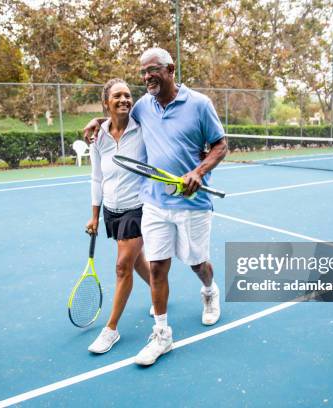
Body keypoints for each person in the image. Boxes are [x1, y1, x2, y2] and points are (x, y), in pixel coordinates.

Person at [84, 48, 228, 366]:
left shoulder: (200, 105)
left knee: (196, 263)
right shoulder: (143, 107)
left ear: (170, 69)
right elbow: (117, 117)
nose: (147, 76)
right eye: (143, 72)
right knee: (158, 268)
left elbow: (221, 145)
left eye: (153, 70)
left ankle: (209, 290)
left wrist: (198, 172)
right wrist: (99, 120)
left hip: (193, 204)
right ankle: (162, 334)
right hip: (154, 203)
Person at [85, 78, 152, 354]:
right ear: (106, 102)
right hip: (112, 209)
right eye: (117, 96)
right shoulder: (98, 136)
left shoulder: (143, 127)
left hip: (138, 206)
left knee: (122, 266)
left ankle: (110, 329)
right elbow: (96, 178)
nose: (124, 99)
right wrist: (94, 216)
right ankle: (158, 287)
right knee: (136, 262)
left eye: (127, 95)